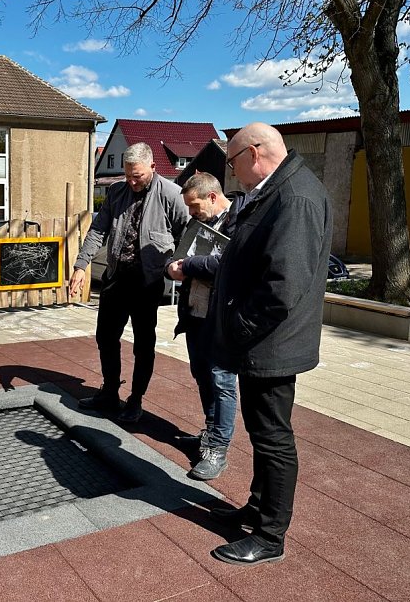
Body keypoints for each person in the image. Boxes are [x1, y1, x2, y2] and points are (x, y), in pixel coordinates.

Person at [208, 123, 332, 566]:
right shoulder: (278, 188)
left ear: (254, 153)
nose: (230, 169)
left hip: (272, 344)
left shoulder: (294, 196)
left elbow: (284, 283)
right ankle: (259, 509)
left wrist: (239, 326)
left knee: (273, 438)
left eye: (231, 159)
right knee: (264, 434)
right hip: (265, 341)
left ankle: (270, 535)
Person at [70, 142, 189, 423]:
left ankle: (135, 400)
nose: (133, 182)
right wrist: (81, 265)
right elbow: (98, 230)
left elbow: (188, 232)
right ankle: (110, 391)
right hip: (116, 276)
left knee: (143, 344)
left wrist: (178, 266)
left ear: (152, 167)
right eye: (128, 175)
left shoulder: (171, 195)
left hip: (147, 281)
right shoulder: (117, 191)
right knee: (106, 337)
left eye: (138, 176)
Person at [166, 172, 245, 481]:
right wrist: (175, 267)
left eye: (195, 206)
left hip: (222, 317)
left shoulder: (240, 221)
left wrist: (187, 266)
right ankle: (210, 432)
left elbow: (229, 265)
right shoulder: (198, 221)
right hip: (195, 312)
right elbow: (181, 255)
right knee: (201, 374)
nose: (191, 213)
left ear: (213, 197)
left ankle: (218, 448)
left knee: (222, 380)